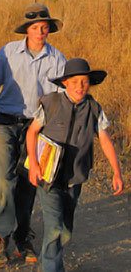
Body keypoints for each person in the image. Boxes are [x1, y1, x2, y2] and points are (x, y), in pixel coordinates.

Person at [0, 3, 66, 268]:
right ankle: (0, 237)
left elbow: (62, 99)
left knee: (29, 182)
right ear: (27, 30)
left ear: (49, 30)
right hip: (7, 121)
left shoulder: (57, 59)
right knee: (3, 180)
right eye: (35, 27)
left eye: (44, 27)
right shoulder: (8, 52)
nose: (40, 32)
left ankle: (22, 235)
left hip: (38, 127)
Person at [26, 58, 124, 272]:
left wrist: (117, 172)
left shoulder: (94, 108)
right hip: (48, 176)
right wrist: (33, 164)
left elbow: (105, 139)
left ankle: (47, 261)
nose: (80, 86)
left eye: (84, 81)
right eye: (75, 81)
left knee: (65, 231)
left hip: (75, 177)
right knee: (54, 227)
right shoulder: (50, 103)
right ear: (65, 83)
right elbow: (32, 132)